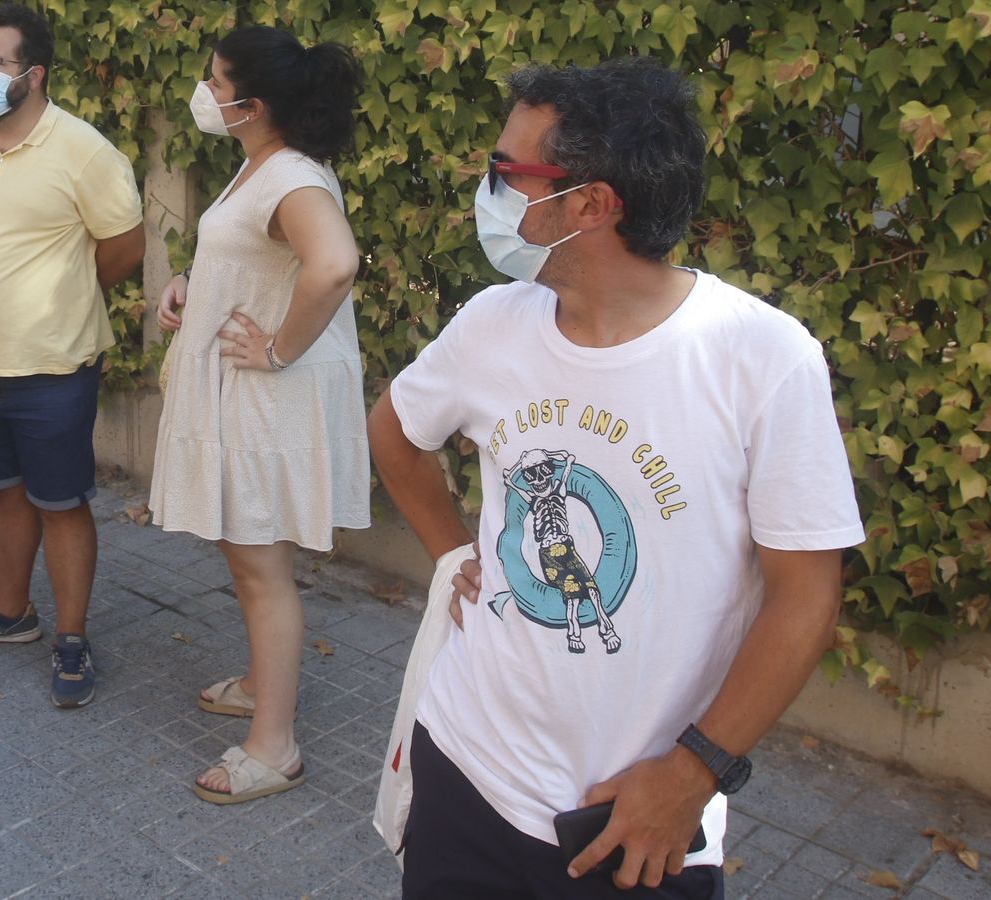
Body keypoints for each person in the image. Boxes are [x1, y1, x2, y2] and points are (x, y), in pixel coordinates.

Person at [367, 59, 864, 898]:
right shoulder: (492, 325)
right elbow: (395, 431)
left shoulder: (763, 360)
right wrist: (456, 556)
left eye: (506, 173)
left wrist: (693, 774)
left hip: (634, 826)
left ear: (592, 204)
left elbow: (806, 598)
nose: (488, 193)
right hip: (464, 769)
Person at [149, 26, 367, 803]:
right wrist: (190, 280)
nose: (204, 92)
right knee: (247, 555)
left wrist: (277, 350)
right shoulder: (261, 168)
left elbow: (334, 263)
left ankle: (274, 746)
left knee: (261, 565)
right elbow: (249, 254)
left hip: (267, 400)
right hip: (246, 398)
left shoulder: (293, 178)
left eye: (214, 81)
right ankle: (258, 684)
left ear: (255, 103)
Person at [0, 3, 144, 710]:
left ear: (34, 74)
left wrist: (65, 296)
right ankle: (12, 614)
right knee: (3, 492)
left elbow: (124, 246)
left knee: (61, 503)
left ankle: (72, 638)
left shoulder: (82, 150)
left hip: (52, 368)